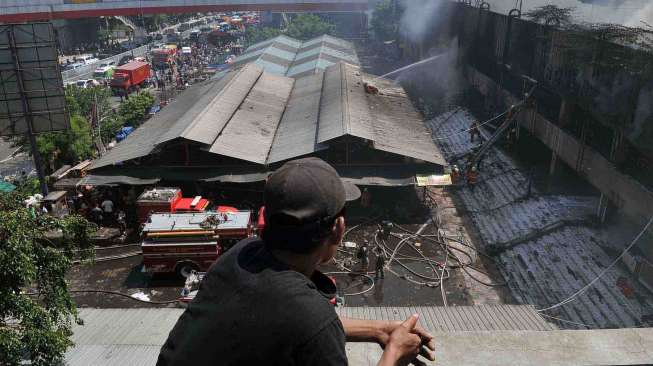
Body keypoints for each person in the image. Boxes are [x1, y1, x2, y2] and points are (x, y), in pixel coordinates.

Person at [157, 157, 435, 366]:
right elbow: (309, 324)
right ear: (338, 228)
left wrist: (380, 330)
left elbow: (297, 324)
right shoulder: (309, 317)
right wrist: (395, 353)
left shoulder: (242, 254)